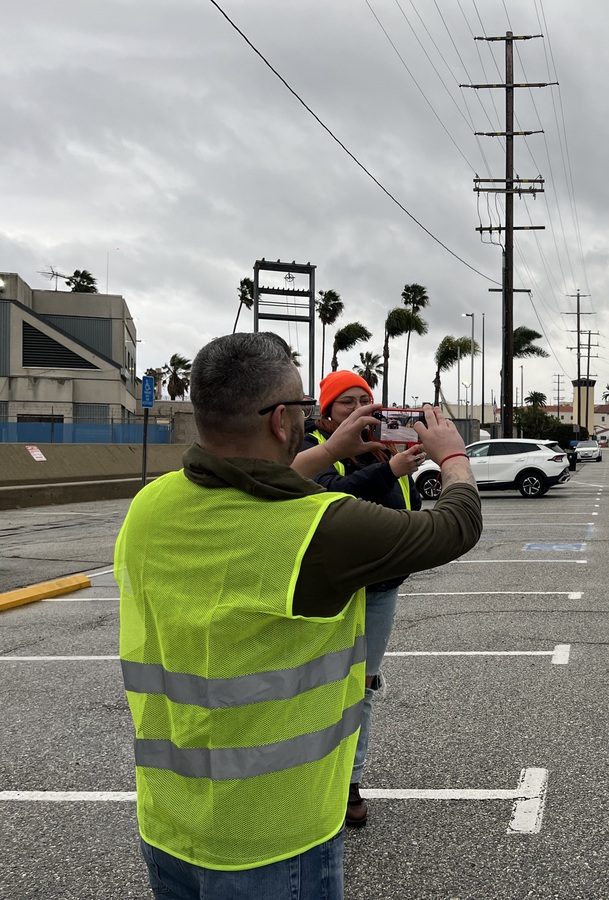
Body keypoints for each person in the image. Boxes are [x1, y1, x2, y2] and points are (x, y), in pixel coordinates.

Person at [115, 332, 481, 899]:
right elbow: (454, 527)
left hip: (170, 824)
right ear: (281, 420)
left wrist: (330, 450)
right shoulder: (315, 528)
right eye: (304, 407)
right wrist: (452, 456)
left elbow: (250, 475)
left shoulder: (150, 507)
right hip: (276, 837)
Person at [301, 369, 426, 828]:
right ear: (327, 411)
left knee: (363, 686)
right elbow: (328, 499)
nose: (357, 409)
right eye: (346, 402)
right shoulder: (313, 447)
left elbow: (407, 509)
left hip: (380, 588)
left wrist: (401, 465)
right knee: (319, 684)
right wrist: (388, 470)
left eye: (364, 400)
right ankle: (312, 777)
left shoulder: (383, 447)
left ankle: (350, 782)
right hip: (332, 588)